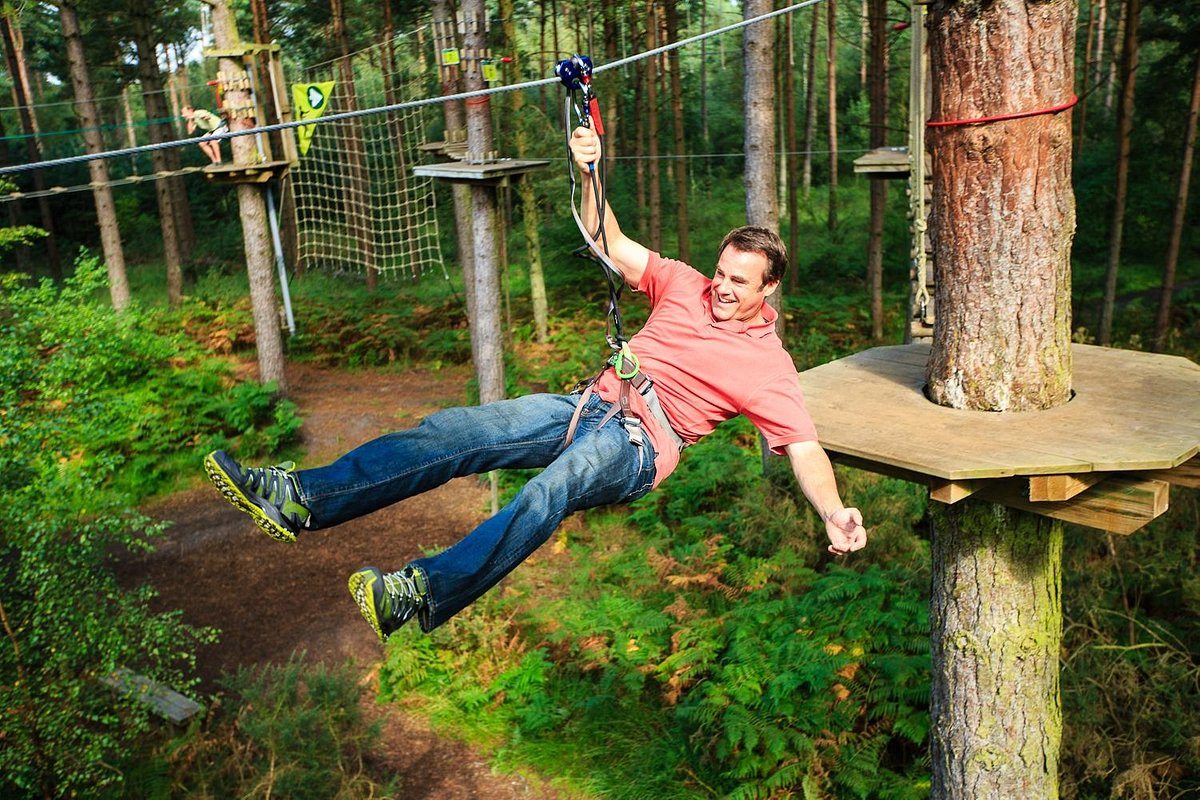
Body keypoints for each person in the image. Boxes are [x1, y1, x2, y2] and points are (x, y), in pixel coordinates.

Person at [204, 124, 868, 644]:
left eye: (738, 282)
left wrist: (832, 511)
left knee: (549, 491)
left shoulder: (769, 366)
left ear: (769, 288)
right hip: (590, 404)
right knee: (455, 433)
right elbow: (605, 234)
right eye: (721, 273)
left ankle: (416, 593)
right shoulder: (683, 283)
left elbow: (804, 448)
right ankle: (300, 498)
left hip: (639, 444)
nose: (721, 288)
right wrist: (590, 171)